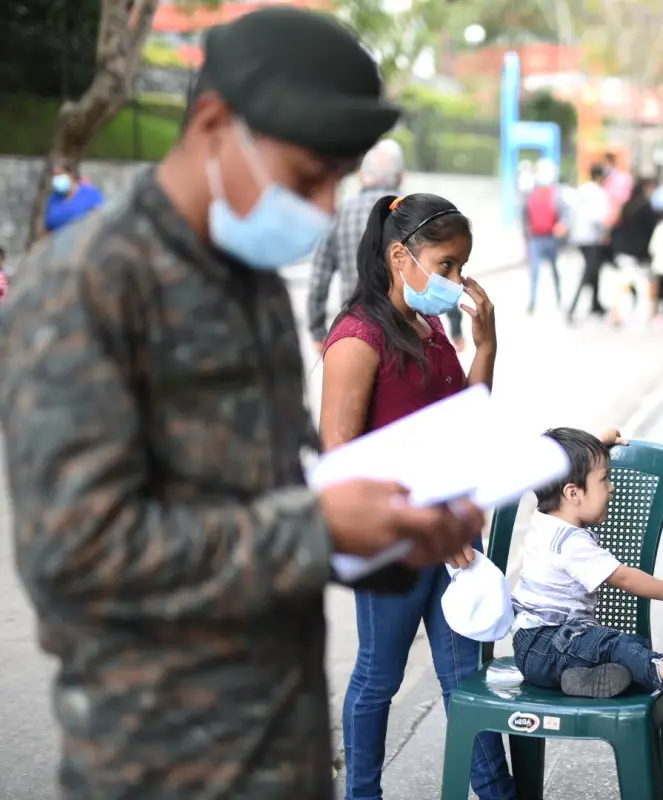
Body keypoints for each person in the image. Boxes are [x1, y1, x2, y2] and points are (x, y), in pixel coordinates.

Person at [0, 8, 486, 798]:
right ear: (217, 124)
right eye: (308, 177)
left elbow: (252, 499)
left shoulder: (247, 287)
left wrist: (383, 526)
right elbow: (73, 559)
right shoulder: (85, 290)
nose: (328, 207)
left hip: (280, 736)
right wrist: (317, 525)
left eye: (337, 177)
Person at [320, 192, 514, 800]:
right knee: (380, 674)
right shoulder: (357, 337)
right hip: (398, 539)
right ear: (400, 254)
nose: (458, 281)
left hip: (450, 534)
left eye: (463, 266)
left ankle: (495, 791)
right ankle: (363, 793)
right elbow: (341, 461)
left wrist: (484, 348)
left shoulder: (429, 327)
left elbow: (467, 421)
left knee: (465, 679)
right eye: (447, 265)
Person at [510, 427, 663, 705]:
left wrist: (595, 449)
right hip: (549, 643)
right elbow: (624, 578)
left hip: (539, 649)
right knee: (615, 644)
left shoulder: (546, 519)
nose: (612, 486)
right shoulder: (571, 543)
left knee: (623, 648)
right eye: (605, 478)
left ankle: (577, 678)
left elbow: (560, 473)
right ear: (573, 493)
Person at [309, 138, 405, 351]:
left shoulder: (341, 213)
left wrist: (317, 329)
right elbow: (434, 267)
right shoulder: (411, 212)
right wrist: (455, 327)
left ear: (362, 176)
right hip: (403, 330)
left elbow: (320, 275)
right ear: (401, 176)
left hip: (354, 327)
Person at [609, 176, 659, 325]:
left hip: (625, 249)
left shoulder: (627, 205)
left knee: (624, 281)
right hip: (641, 252)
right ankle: (652, 313)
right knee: (647, 282)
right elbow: (651, 229)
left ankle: (616, 311)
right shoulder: (646, 206)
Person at [566, 163, 612, 323]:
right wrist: (606, 231)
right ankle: (572, 308)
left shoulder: (583, 189)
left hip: (580, 237)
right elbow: (598, 218)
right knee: (589, 272)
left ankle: (595, 304)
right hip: (592, 238)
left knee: (594, 270)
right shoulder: (598, 193)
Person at [522, 158, 568, 314]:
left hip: (550, 237)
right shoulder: (531, 195)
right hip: (536, 237)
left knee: (555, 269)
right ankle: (532, 301)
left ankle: (559, 298)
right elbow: (524, 215)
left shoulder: (556, 194)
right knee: (534, 271)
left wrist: (562, 225)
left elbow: (564, 214)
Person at [44, 162, 105, 233]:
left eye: (60, 175)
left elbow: (100, 219)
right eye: (54, 176)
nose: (57, 179)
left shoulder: (89, 193)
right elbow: (49, 226)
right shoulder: (53, 199)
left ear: (71, 175)